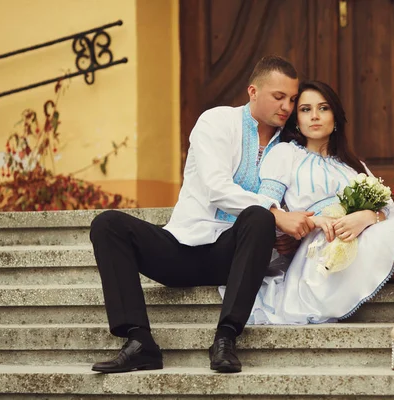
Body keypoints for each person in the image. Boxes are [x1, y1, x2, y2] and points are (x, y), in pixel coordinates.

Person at [88, 56, 316, 374]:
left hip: (233, 256)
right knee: (107, 224)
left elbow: (299, 199)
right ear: (253, 91)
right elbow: (216, 188)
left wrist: (284, 233)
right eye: (279, 97)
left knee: (260, 218)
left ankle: (225, 338)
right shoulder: (216, 122)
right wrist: (279, 216)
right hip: (182, 248)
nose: (287, 107)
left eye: (292, 99)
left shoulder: (290, 145)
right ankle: (139, 342)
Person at [249, 80, 394, 373]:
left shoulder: (354, 166)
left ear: (335, 117)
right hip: (323, 258)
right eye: (305, 109)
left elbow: (391, 215)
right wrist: (309, 222)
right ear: (296, 120)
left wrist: (367, 217)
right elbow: (266, 209)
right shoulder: (286, 154)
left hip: (365, 244)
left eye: (322, 108)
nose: (314, 116)